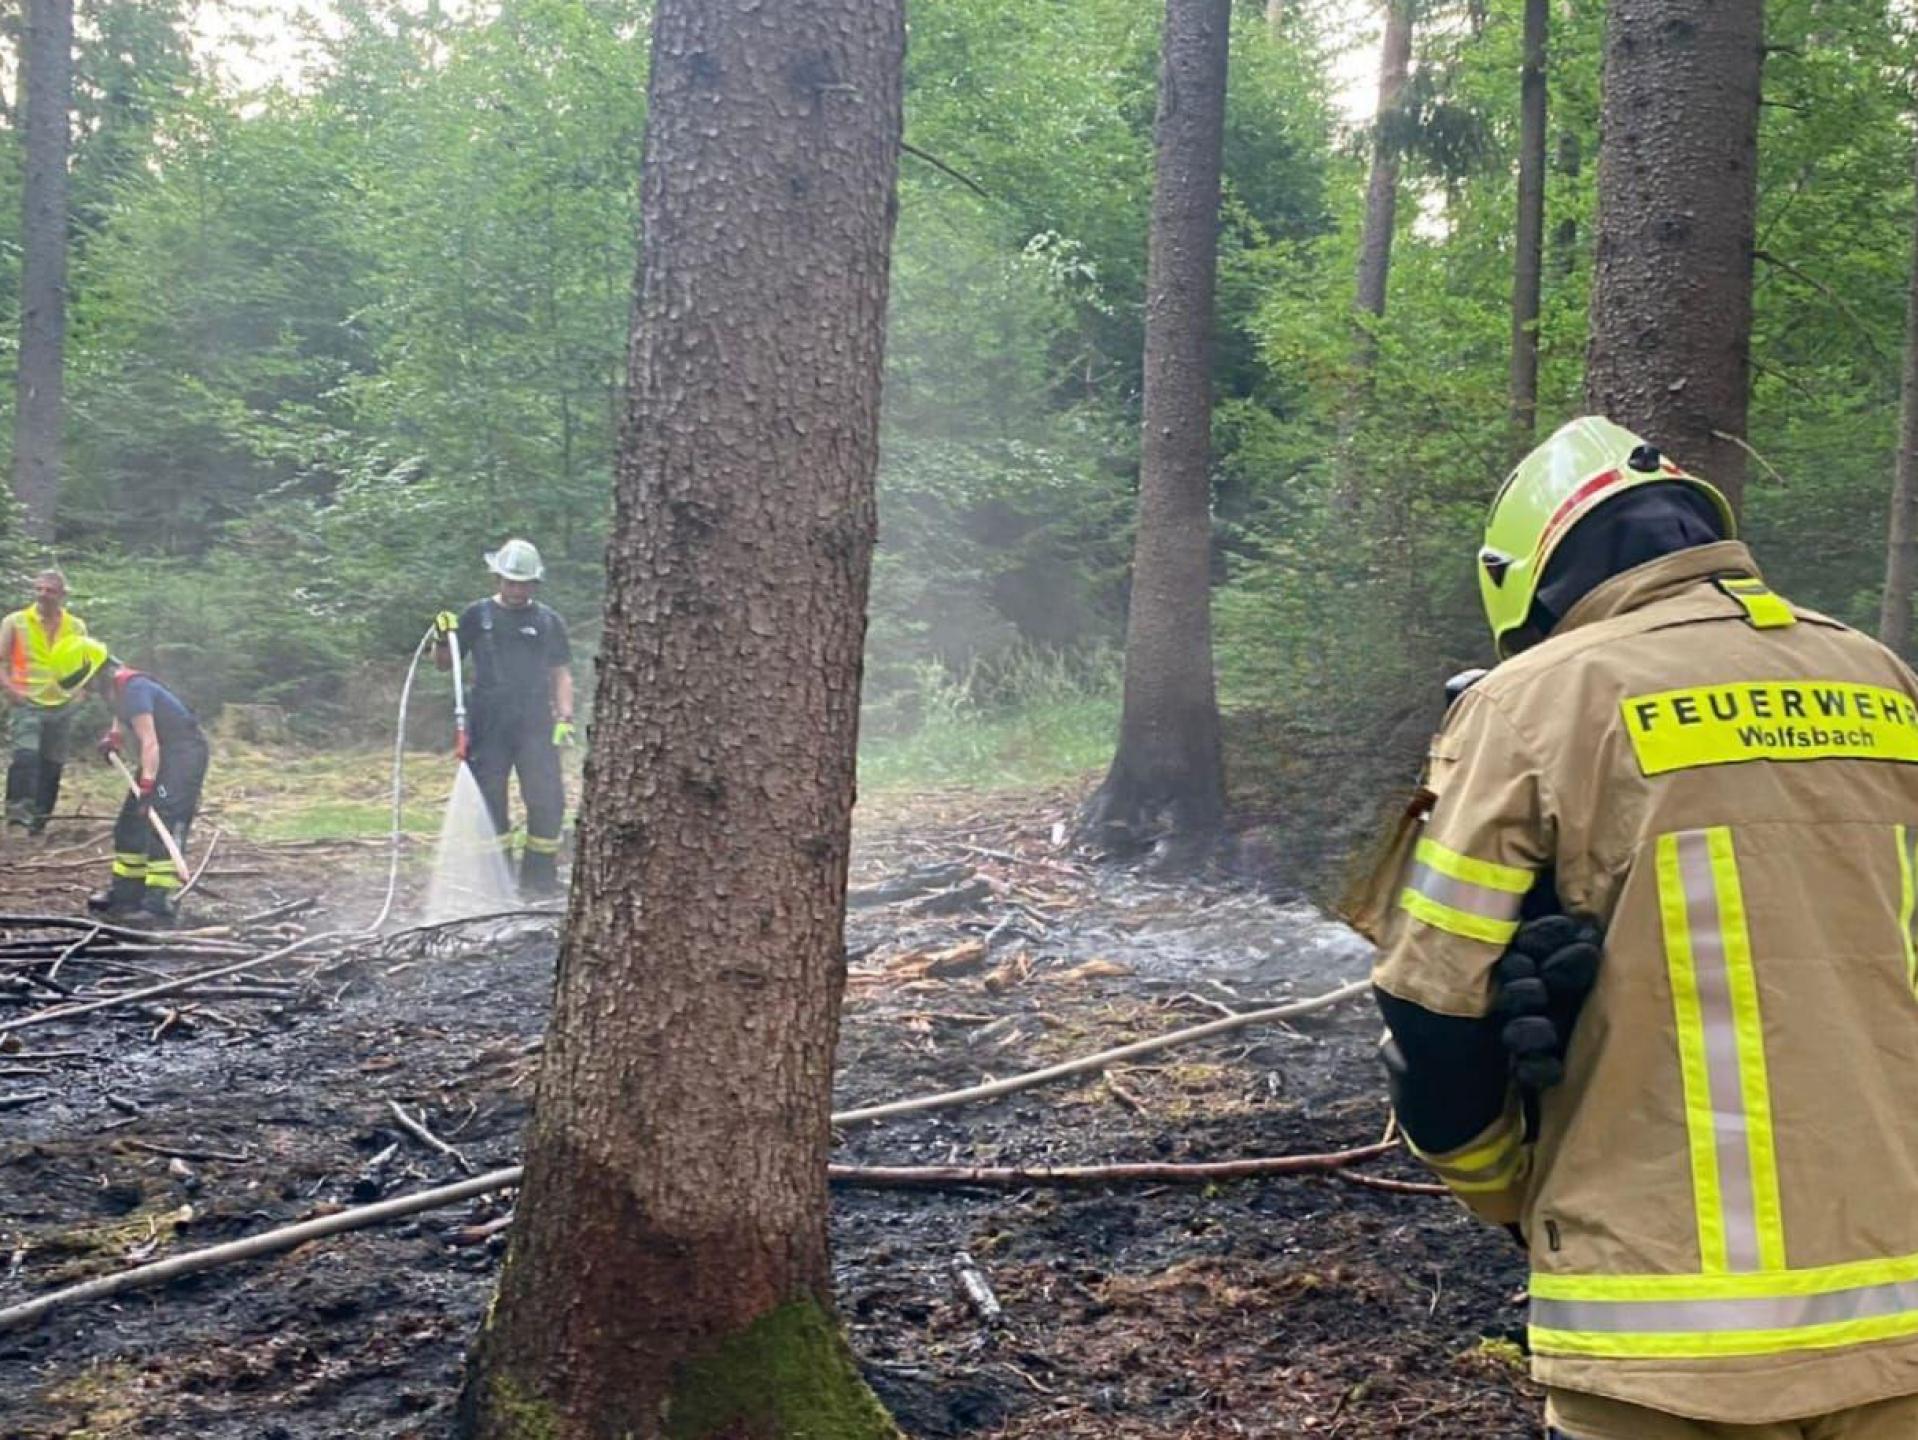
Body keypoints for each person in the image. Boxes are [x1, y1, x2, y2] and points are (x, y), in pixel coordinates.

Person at [1371, 416, 1918, 1439]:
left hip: (1662, 1338)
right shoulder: (1883, 681)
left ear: (1528, 583)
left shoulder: (1529, 701)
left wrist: (1510, 1192)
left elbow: (1428, 1011)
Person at [433, 538, 575, 896]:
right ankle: (496, 880)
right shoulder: (477, 616)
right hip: (488, 722)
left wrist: (565, 717)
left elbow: (560, 673)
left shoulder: (548, 621)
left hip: (535, 722)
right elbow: (445, 664)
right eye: (511, 583)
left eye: (524, 584)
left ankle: (539, 881)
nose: (517, 590)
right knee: (488, 800)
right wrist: (442, 638)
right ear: (497, 579)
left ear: (535, 583)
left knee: (547, 799)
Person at [49, 636, 209, 921]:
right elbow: (122, 715)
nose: (86, 690)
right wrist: (114, 736)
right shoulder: (115, 689)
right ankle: (126, 894)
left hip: (182, 755)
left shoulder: (135, 689)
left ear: (98, 672)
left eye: (86, 684)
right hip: (160, 756)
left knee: (163, 816)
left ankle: (159, 901)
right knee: (129, 823)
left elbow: (149, 740)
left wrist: (147, 785)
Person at [0, 570, 87, 834]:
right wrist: (9, 689)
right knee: (25, 756)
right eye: (39, 589)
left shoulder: (75, 626)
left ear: (62, 595)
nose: (43, 595)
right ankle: (18, 817)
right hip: (26, 701)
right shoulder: (15, 622)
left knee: (52, 763)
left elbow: (84, 663)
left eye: (49, 590)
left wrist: (81, 691)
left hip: (62, 704)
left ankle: (40, 818)